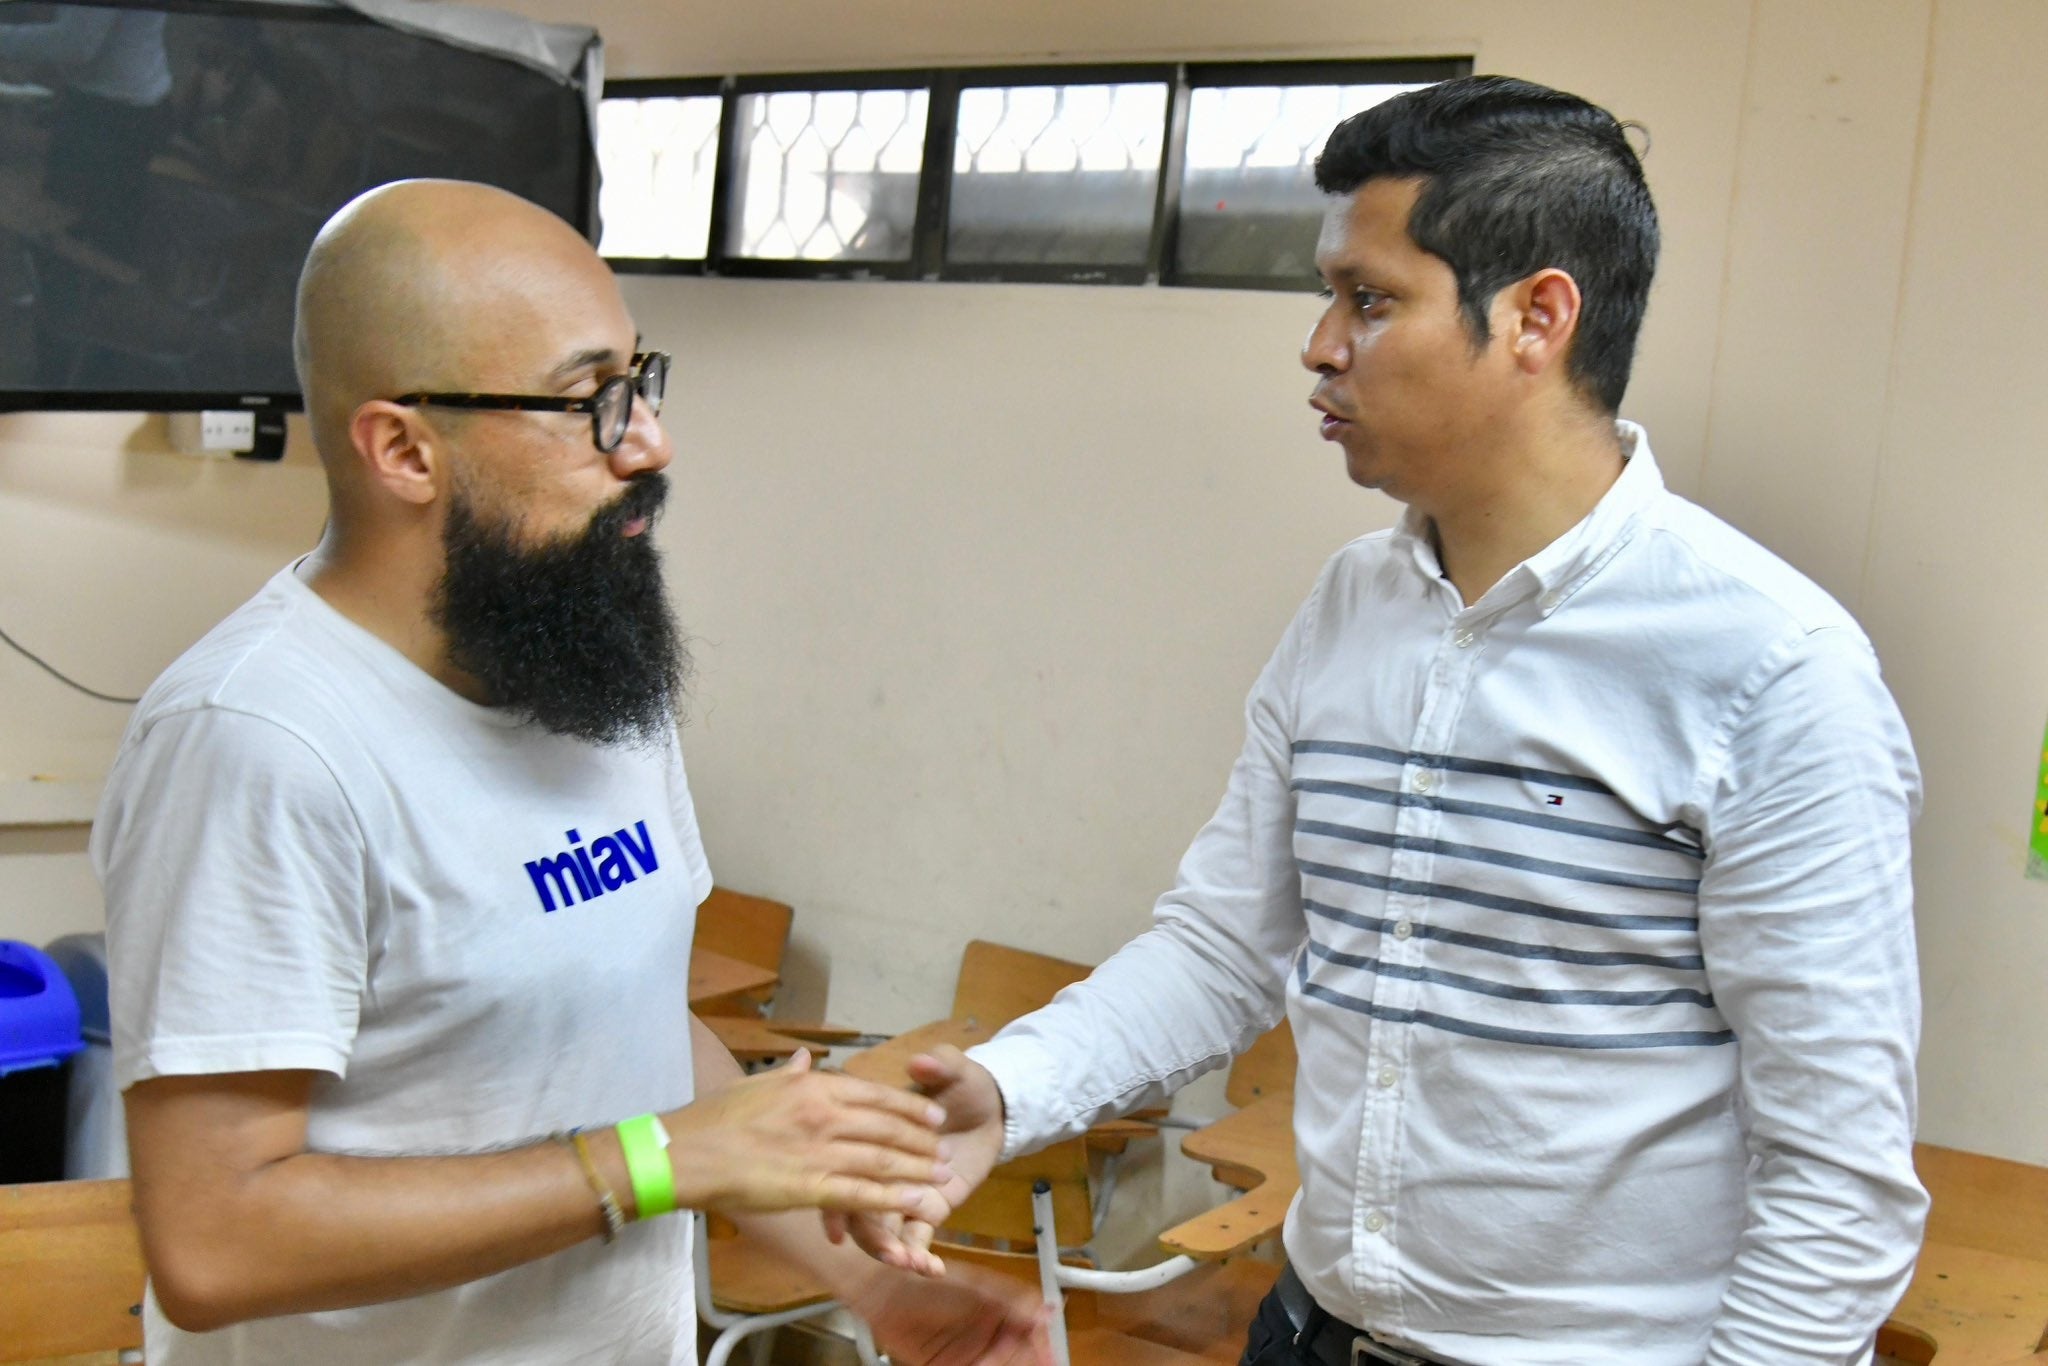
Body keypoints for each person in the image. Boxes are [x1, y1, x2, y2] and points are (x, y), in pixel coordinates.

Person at [906, 75, 1927, 1366]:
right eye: (1329, 294)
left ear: (1536, 317)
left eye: (1371, 299)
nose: (1321, 343)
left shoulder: (1772, 666)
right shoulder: (1351, 606)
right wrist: (1008, 1089)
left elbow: (1838, 1173)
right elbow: (1225, 951)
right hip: (1313, 1333)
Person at [91, 179, 1048, 1366]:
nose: (648, 441)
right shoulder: (258, 741)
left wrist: (873, 1285)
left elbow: (634, 1034)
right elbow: (216, 1241)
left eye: (639, 382)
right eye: (584, 400)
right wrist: (657, 1159)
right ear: (402, 448)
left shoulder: (584, 661)